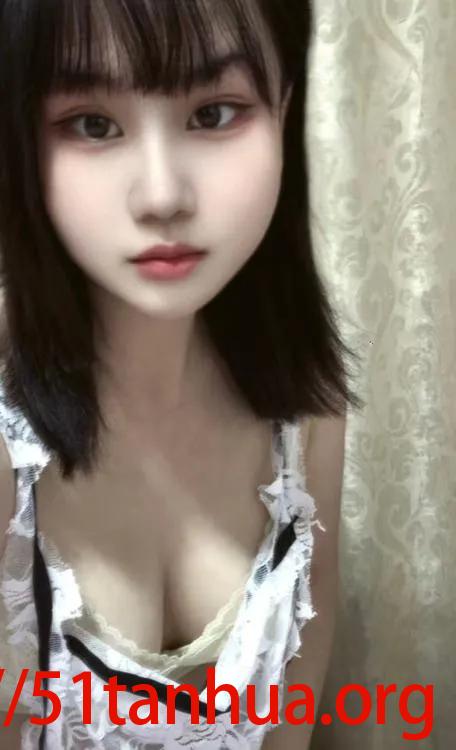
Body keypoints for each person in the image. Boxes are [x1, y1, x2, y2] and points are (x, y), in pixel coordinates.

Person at [0, 0, 363, 748]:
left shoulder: (304, 401)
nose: (162, 195)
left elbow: (308, 647)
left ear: (284, 106)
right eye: (92, 125)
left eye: (213, 113)